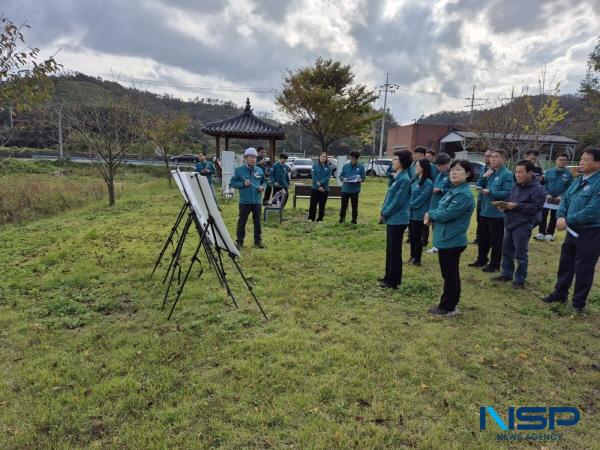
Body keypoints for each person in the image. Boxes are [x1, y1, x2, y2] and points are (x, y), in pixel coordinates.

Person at [542, 147, 600, 313]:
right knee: (565, 264)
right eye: (581, 159)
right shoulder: (579, 180)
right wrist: (560, 216)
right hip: (572, 230)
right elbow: (566, 198)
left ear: (597, 163)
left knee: (584, 269)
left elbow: (593, 210)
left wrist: (568, 220)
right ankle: (560, 293)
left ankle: (578, 303)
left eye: (586, 159)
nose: (581, 162)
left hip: (590, 232)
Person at [424, 159, 475, 316]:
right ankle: (451, 303)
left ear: (467, 173)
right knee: (450, 274)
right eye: (452, 169)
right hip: (446, 237)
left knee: (450, 275)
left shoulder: (464, 195)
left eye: (458, 170)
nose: (453, 172)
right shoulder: (454, 191)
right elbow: (440, 208)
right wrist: (433, 214)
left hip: (452, 240)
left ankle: (447, 307)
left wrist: (430, 214)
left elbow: (447, 214)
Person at [492, 160, 545, 288]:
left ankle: (520, 280)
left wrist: (516, 206)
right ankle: (507, 274)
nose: (517, 174)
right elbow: (509, 200)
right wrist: (503, 206)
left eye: (520, 172)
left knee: (520, 254)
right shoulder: (516, 186)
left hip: (523, 225)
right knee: (506, 251)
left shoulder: (537, 190)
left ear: (530, 173)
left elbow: (535, 208)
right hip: (509, 223)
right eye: (516, 172)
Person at [470, 149, 514, 272]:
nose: (493, 159)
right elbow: (479, 185)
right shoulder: (489, 172)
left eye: (496, 157)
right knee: (483, 238)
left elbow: (508, 193)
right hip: (484, 210)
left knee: (496, 241)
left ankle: (494, 264)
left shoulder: (507, 174)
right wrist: (484, 176)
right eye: (492, 157)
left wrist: (492, 192)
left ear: (504, 159)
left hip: (497, 213)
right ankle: (481, 260)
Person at [378, 150, 412, 289]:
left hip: (398, 219)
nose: (392, 162)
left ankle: (394, 281)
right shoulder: (398, 177)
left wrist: (384, 213)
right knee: (390, 250)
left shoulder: (404, 179)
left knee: (395, 251)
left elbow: (397, 202)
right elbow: (390, 196)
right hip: (392, 218)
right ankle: (388, 277)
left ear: (402, 162)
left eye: (395, 159)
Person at [229, 147, 266, 248]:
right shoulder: (239, 170)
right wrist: (243, 184)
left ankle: (258, 241)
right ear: (245, 158)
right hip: (245, 201)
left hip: (257, 201)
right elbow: (232, 183)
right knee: (242, 221)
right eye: (251, 157)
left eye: (254, 157)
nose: (253, 159)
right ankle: (239, 241)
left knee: (257, 222)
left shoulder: (259, 170)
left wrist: (263, 187)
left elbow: (264, 181)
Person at [535, 153, 573, 241]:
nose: (562, 161)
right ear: (556, 160)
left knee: (554, 216)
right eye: (560, 159)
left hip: (559, 199)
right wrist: (547, 194)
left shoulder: (568, 174)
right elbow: (544, 184)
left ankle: (550, 233)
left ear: (567, 162)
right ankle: (541, 232)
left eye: (564, 160)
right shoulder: (548, 172)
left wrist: (561, 196)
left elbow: (570, 188)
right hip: (547, 198)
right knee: (543, 215)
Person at [408, 158, 433, 266]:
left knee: (418, 237)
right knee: (412, 236)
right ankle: (412, 256)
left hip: (419, 213)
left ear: (423, 167)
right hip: (411, 212)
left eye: (417, 166)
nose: (415, 168)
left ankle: (417, 259)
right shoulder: (415, 179)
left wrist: (409, 205)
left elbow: (421, 199)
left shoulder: (428, 182)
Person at [425, 153, 452, 254]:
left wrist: (441, 190)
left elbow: (452, 190)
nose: (439, 168)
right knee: (435, 226)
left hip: (444, 205)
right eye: (438, 166)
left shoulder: (451, 175)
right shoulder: (439, 174)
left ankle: (443, 246)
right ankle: (436, 246)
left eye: (441, 165)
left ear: (447, 164)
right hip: (434, 203)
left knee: (443, 227)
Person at [406, 146, 428, 243]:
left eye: (416, 154)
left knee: (422, 226)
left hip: (421, 207)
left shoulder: (429, 169)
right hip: (412, 204)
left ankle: (424, 239)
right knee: (413, 227)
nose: (414, 156)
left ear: (422, 154)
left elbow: (423, 196)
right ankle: (411, 237)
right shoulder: (413, 166)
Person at [339, 150, 366, 224]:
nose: (353, 161)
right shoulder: (345, 166)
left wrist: (360, 179)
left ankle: (354, 221)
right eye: (352, 159)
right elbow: (341, 175)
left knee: (354, 207)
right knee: (343, 206)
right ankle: (342, 219)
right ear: (350, 158)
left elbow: (363, 177)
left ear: (358, 159)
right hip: (345, 189)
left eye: (355, 159)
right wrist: (343, 178)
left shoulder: (361, 167)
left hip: (355, 190)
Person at [473, 150, 493, 244]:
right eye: (485, 155)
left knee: (487, 221)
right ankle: (479, 238)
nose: (485, 157)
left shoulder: (495, 170)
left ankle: (487, 239)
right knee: (479, 219)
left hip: (489, 199)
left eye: (488, 156)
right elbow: (479, 183)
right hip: (481, 198)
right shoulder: (483, 168)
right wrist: (484, 176)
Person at [308, 151, 332, 222]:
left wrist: (321, 184)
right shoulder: (314, 166)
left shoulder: (328, 168)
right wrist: (318, 184)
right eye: (322, 156)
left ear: (326, 158)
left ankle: (320, 219)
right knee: (313, 204)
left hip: (324, 189)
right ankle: (311, 218)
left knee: (322, 205)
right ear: (319, 157)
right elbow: (313, 176)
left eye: (324, 157)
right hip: (315, 188)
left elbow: (327, 178)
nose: (323, 158)